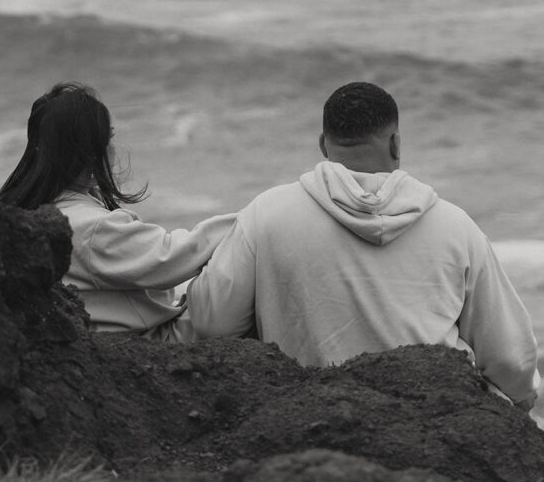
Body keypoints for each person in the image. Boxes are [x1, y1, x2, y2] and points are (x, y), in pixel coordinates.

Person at [187, 81, 540, 407]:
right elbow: (511, 358)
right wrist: (519, 410)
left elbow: (213, 323)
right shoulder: (456, 225)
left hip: (309, 413)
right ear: (396, 143)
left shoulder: (266, 213)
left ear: (324, 145)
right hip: (432, 415)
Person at [0, 82, 235, 341]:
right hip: (156, 340)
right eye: (107, 139)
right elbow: (172, 257)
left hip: (129, 334)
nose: (112, 149)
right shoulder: (86, 226)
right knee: (262, 223)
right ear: (86, 152)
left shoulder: (39, 210)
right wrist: (245, 223)